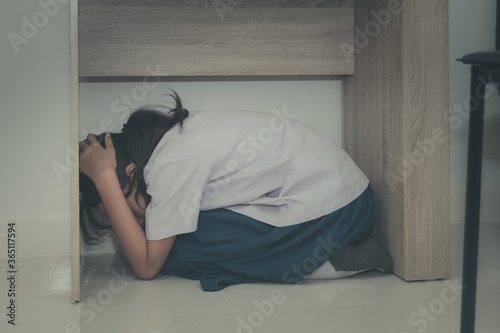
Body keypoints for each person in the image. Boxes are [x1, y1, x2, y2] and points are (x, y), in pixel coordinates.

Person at [79, 92, 392, 291]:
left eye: (126, 210)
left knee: (175, 251)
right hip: (347, 200)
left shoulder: (170, 161)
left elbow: (146, 268)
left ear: (130, 173)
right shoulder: (172, 144)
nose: (135, 222)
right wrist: (111, 186)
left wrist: (104, 179)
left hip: (340, 210)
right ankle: (314, 254)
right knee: (175, 237)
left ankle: (325, 263)